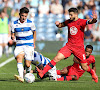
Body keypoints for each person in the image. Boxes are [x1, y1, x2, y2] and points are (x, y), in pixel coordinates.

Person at [36, 7, 98, 83]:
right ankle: (43, 72)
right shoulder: (68, 21)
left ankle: (93, 73)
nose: (70, 16)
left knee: (84, 67)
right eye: (69, 15)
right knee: (56, 58)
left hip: (79, 49)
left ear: (76, 14)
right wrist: (58, 24)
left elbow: (91, 21)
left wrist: (95, 19)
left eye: (71, 15)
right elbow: (61, 25)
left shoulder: (82, 21)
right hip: (69, 46)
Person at [11, 7, 36, 82]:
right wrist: (12, 36)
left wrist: (34, 43)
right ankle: (21, 77)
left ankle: (28, 74)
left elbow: (34, 32)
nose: (24, 18)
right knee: (19, 59)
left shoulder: (30, 23)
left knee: (28, 64)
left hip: (29, 45)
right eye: (22, 16)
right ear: (19, 15)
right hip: (19, 45)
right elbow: (12, 33)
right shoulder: (14, 24)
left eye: (25, 16)